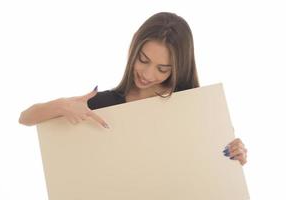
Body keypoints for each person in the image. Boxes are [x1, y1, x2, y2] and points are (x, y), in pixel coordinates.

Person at [19, 12, 247, 165]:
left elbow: (209, 168)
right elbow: (26, 118)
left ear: (179, 68)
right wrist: (61, 106)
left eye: (162, 68)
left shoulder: (194, 111)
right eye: (143, 60)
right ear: (133, 48)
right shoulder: (103, 106)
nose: (148, 75)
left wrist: (234, 155)